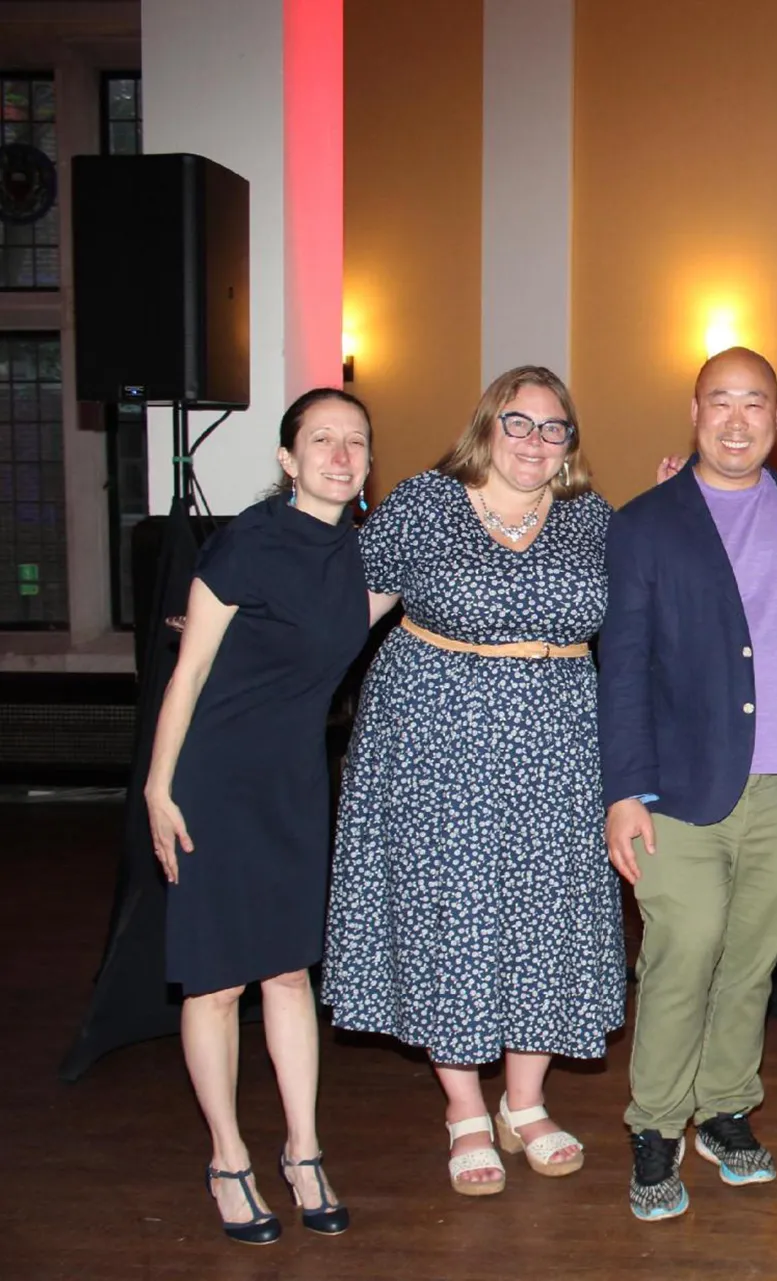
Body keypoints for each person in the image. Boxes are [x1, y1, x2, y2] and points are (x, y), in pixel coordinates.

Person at [323, 366, 623, 1198]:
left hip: (558, 751)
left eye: (551, 427)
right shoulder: (424, 503)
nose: (533, 441)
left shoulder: (591, 519)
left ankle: (524, 1104)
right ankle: (463, 1108)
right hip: (432, 747)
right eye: (517, 423)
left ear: (570, 443)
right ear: (486, 426)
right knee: (448, 915)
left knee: (544, 911)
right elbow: (348, 610)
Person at [600, 346, 777, 1221]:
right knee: (683, 949)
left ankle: (727, 1107)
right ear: (695, 413)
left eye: (755, 404)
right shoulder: (646, 521)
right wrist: (623, 789)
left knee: (750, 960)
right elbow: (620, 666)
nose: (737, 420)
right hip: (679, 785)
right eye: (720, 402)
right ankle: (656, 1122)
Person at [144, 388, 372, 1243]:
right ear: (288, 457)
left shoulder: (361, 555)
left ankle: (304, 1149)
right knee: (215, 979)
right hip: (213, 777)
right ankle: (228, 1156)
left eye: (356, 442)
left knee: (287, 972)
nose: (341, 456)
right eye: (322, 440)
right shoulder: (248, 538)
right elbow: (189, 671)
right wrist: (159, 787)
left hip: (293, 783)